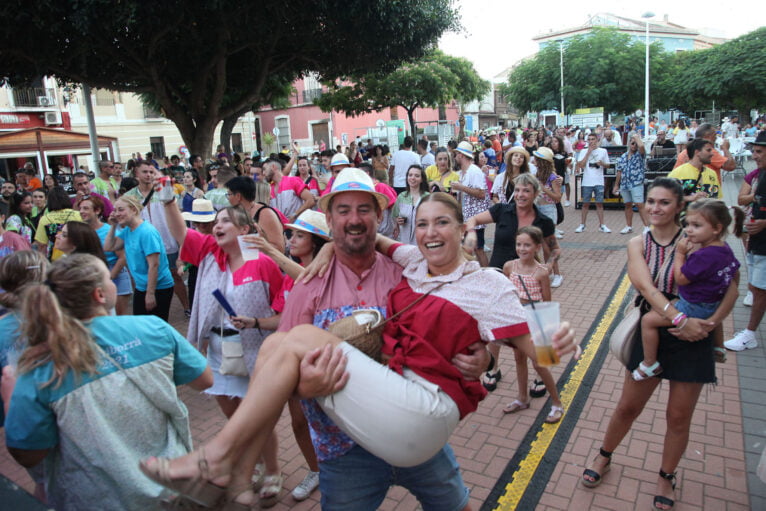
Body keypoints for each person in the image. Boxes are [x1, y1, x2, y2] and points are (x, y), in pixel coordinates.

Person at [139, 181, 578, 510]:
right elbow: (367, 238)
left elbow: (543, 348)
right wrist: (328, 251)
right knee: (278, 349)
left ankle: (217, 458)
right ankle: (236, 470)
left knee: (298, 340)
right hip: (356, 435)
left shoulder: (486, 282)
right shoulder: (411, 262)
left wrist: (557, 340)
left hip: (423, 415)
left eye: (442, 222)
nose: (429, 233)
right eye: (421, 224)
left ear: (464, 228)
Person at [3, 253, 212, 511]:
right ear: (100, 295)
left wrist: (13, 401)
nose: (114, 282)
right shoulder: (153, 328)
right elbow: (204, 380)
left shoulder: (39, 366)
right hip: (170, 486)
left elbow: (28, 453)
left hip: (94, 500)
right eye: (109, 277)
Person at [581, 178, 738, 511]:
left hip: (694, 331)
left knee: (678, 417)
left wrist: (709, 325)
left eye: (664, 202)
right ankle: (604, 455)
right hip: (656, 325)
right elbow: (646, 287)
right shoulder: (639, 243)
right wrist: (680, 319)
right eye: (651, 201)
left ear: (679, 207)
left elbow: (731, 286)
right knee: (628, 406)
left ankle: (667, 476)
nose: (655, 208)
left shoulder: (698, 237)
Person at [161, 193, 287, 507]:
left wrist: (256, 321)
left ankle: (272, 470)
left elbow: (284, 315)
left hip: (254, 353)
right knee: (233, 415)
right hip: (218, 351)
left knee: (256, 418)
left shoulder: (265, 264)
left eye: (225, 221)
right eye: (215, 222)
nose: (217, 226)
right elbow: (180, 232)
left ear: (244, 230)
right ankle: (252, 463)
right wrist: (167, 200)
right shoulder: (209, 254)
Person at [242, 209, 330, 502]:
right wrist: (254, 323)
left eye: (299, 235)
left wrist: (270, 250)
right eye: (291, 233)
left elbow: (310, 280)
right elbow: (282, 317)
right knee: (298, 422)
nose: (291, 239)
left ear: (317, 242)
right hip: (292, 360)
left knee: (332, 423)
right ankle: (316, 470)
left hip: (323, 358)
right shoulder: (288, 275)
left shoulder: (326, 271)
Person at [636, 199, 742, 379]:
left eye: (696, 225)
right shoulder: (725, 248)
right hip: (713, 302)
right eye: (687, 224)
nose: (688, 230)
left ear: (716, 228)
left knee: (648, 321)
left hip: (695, 305)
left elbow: (681, 279)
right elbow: (735, 275)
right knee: (710, 314)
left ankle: (649, 364)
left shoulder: (703, 255)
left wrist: (679, 254)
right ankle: (718, 347)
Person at [500, 226, 564, 423]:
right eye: (519, 244)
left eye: (527, 245)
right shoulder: (509, 266)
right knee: (518, 358)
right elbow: (505, 293)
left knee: (539, 363)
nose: (522, 248)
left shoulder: (541, 272)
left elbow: (546, 303)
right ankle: (522, 398)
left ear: (537, 247)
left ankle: (556, 403)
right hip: (516, 318)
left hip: (535, 318)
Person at [122, 161, 190, 316]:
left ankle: (187, 307)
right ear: (136, 174)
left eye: (151, 172)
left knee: (175, 276)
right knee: (143, 275)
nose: (148, 175)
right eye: (144, 172)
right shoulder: (129, 196)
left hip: (167, 240)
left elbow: (176, 213)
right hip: (143, 244)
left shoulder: (163, 190)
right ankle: (148, 305)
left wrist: (180, 244)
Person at [104, 195, 175, 320]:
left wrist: (150, 293)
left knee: (155, 328)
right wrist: (113, 226)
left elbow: (154, 265)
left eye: (121, 210)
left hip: (158, 287)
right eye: (115, 210)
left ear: (133, 210)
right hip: (141, 286)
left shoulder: (147, 232)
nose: (116, 214)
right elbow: (109, 247)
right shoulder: (128, 231)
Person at [726, 131, 766, 350]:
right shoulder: (759, 175)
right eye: (754, 151)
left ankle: (750, 334)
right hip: (757, 241)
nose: (754, 155)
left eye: (759, 151)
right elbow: (743, 198)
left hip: (763, 244)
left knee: (760, 289)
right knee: (756, 286)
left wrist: (764, 223)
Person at [78, 195, 132, 315]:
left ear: (97, 211)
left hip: (115, 276)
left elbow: (123, 257)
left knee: (118, 320)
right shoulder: (81, 232)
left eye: (86, 208)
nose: (82, 211)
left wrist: (109, 277)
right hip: (92, 276)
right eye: (80, 208)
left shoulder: (110, 231)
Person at [451, 141, 490, 267]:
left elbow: (481, 193)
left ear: (461, 155)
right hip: (467, 217)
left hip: (475, 218)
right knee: (469, 249)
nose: (455, 157)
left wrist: (461, 187)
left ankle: (488, 276)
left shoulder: (474, 171)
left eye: (456, 154)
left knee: (478, 249)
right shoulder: (464, 172)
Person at [225, 176, 285, 253]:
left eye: (229, 194)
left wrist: (261, 244)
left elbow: (280, 249)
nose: (228, 198)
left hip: (264, 263)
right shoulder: (235, 213)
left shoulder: (265, 214)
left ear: (238, 196)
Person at [531, 147, 563, 287]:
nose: (535, 161)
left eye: (537, 159)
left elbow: (558, 198)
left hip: (549, 210)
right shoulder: (536, 174)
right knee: (542, 245)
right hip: (537, 209)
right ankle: (548, 272)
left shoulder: (553, 177)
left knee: (549, 245)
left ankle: (557, 274)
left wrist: (543, 189)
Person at [575, 133, 611, 233]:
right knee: (585, 204)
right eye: (589, 139)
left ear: (597, 140)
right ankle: (582, 224)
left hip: (599, 181)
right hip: (587, 181)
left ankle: (602, 225)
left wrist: (602, 164)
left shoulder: (603, 151)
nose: (591, 141)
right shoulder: (583, 151)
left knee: (599, 203)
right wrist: (588, 153)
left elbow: (608, 165)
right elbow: (581, 165)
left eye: (593, 139)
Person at [34, 186, 82, 261]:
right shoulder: (78, 215)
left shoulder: (45, 219)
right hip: (77, 255)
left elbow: (42, 244)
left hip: (55, 258)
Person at [667, 138, 722, 203]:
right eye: (708, 150)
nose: (712, 154)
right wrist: (690, 198)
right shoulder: (677, 173)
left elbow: (717, 199)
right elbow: (667, 198)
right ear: (697, 152)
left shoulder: (712, 173)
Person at [613, 134, 648, 234]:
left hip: (636, 182)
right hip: (625, 184)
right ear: (629, 143)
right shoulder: (623, 156)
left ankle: (646, 227)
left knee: (639, 204)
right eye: (632, 143)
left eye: (635, 144)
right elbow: (619, 171)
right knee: (627, 204)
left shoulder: (640, 154)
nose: (634, 145)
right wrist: (616, 185)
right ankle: (628, 226)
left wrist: (637, 137)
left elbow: (641, 147)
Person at [392, 164, 429, 244]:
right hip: (404, 240)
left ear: (422, 179)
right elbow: (395, 215)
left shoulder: (427, 197)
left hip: (422, 241)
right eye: (410, 175)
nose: (412, 178)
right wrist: (397, 221)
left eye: (417, 176)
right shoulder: (402, 196)